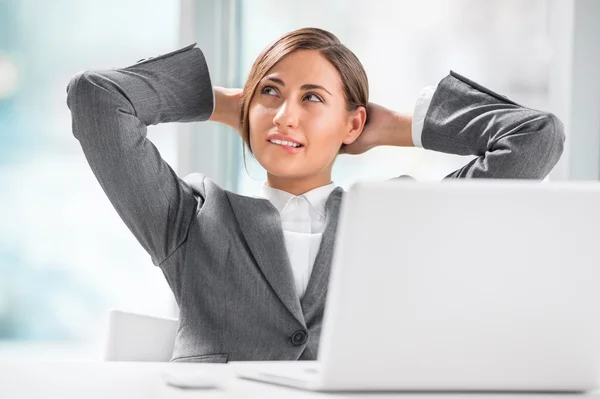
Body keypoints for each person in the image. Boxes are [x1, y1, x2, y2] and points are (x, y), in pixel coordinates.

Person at [66, 27, 565, 363]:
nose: (284, 115)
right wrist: (224, 104)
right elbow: (97, 99)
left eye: (312, 98)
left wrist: (398, 129)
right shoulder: (188, 219)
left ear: (353, 122)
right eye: (270, 92)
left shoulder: (403, 219)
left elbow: (535, 139)